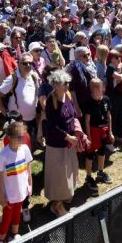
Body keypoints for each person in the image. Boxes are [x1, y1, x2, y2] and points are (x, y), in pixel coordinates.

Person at [42, 69, 79, 218]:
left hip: (69, 144)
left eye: (68, 83)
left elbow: (73, 115)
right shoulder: (51, 101)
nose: (67, 86)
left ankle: (65, 197)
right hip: (57, 145)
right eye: (64, 83)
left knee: (69, 172)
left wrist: (77, 133)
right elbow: (52, 125)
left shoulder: (68, 96)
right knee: (59, 177)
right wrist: (67, 137)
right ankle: (56, 206)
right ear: (56, 85)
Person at [0, 121, 33, 243]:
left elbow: (28, 166)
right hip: (9, 195)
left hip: (21, 191)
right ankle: (1, 239)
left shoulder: (25, 149)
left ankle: (14, 234)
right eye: (19, 137)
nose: (22, 139)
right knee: (7, 217)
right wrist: (1, 196)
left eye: (23, 136)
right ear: (9, 137)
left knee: (17, 213)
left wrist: (30, 183)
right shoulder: (4, 154)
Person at [0, 53, 40, 143]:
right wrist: (6, 114)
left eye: (30, 63)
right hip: (17, 122)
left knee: (28, 145)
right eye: (25, 63)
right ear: (19, 64)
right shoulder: (13, 78)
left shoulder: (34, 77)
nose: (28, 65)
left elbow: (36, 95)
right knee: (17, 148)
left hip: (32, 120)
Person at [82, 78, 113, 195]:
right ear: (91, 89)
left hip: (103, 130)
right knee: (90, 154)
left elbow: (109, 116)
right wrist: (88, 137)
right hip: (93, 131)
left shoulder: (106, 99)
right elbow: (87, 121)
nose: (97, 90)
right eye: (94, 87)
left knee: (102, 152)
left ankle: (100, 172)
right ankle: (88, 176)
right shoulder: (89, 102)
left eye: (99, 87)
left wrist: (110, 132)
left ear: (102, 88)